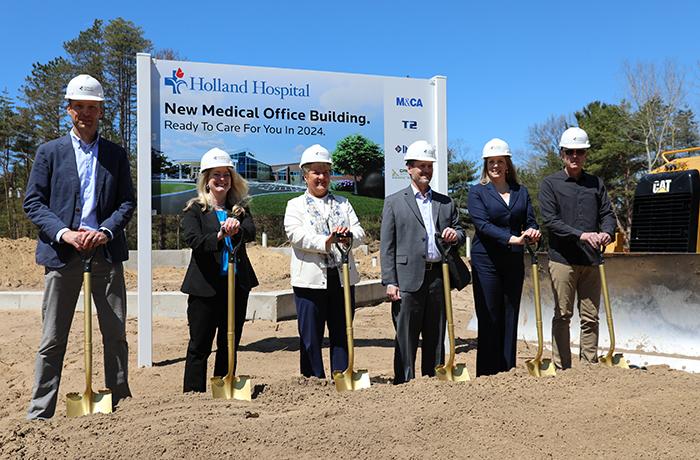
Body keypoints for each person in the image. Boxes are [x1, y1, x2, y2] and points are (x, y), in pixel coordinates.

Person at [23, 74, 135, 419]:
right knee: (53, 337)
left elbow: (126, 203)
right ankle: (41, 411)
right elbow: (34, 203)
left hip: (104, 253)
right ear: (69, 110)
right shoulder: (49, 153)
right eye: (79, 107)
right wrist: (65, 233)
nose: (86, 113)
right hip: (62, 255)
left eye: (92, 107)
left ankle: (120, 402)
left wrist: (104, 231)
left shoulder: (115, 155)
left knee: (115, 333)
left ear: (101, 111)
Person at [380, 140, 465, 384]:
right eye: (420, 166)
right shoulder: (394, 202)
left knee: (436, 333)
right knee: (406, 336)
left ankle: (433, 379)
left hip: (438, 276)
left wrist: (454, 235)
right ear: (409, 168)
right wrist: (390, 281)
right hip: (407, 280)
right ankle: (405, 382)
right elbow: (387, 246)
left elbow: (460, 231)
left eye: (429, 166)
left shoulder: (445, 202)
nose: (425, 171)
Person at [180, 147, 259, 392]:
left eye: (226, 174)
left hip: (236, 286)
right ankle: (193, 393)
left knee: (230, 340)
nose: (221, 180)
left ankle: (224, 386)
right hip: (205, 287)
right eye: (216, 175)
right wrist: (219, 234)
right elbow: (193, 239)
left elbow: (251, 232)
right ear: (206, 180)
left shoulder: (240, 209)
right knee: (200, 344)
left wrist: (237, 228)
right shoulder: (195, 210)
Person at [283, 144, 365, 378]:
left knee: (342, 332)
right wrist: (326, 241)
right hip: (310, 281)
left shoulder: (343, 203)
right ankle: (313, 380)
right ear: (305, 175)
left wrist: (349, 236)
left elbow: (360, 232)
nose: (322, 177)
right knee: (310, 336)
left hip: (341, 278)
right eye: (316, 172)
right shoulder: (295, 205)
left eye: (326, 172)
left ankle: (342, 375)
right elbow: (295, 235)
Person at [539, 127, 617, 369]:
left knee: (591, 317)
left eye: (580, 152)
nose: (575, 157)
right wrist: (582, 234)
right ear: (562, 154)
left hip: (592, 260)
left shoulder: (596, 183)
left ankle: (588, 366)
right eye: (570, 152)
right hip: (562, 260)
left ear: (586, 154)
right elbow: (551, 221)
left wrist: (606, 232)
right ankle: (563, 367)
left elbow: (607, 214)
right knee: (563, 315)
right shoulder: (550, 184)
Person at [468, 138, 541, 376]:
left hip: (513, 262)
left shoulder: (521, 192)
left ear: (508, 164)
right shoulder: (477, 192)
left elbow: (530, 220)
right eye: (491, 162)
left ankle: (508, 370)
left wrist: (532, 232)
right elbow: (483, 225)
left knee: (510, 314)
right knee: (490, 316)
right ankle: (487, 373)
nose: (496, 166)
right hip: (486, 262)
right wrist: (512, 239)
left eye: (500, 161)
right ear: (485, 165)